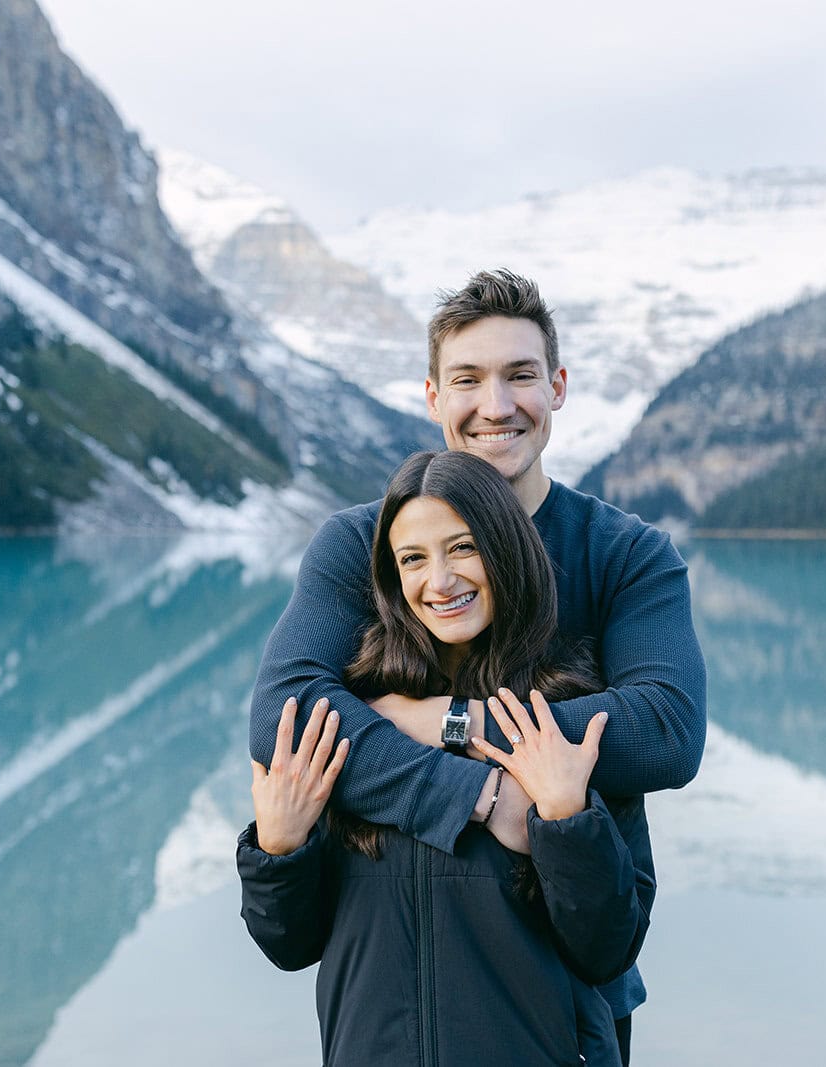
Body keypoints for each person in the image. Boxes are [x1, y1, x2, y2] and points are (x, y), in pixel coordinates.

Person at [250, 269, 707, 1063]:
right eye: (467, 379)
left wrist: (446, 720)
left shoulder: (626, 553)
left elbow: (664, 733)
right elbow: (283, 718)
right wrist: (483, 793)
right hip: (388, 1009)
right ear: (433, 397)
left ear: (557, 386)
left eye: (520, 375)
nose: (496, 406)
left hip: (558, 1000)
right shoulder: (364, 545)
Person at [239, 450, 654, 1066]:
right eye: (413, 559)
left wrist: (565, 819)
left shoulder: (562, 714)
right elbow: (290, 944)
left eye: (463, 548)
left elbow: (608, 948)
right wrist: (278, 847)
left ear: (507, 550)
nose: (440, 581)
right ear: (391, 577)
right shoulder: (354, 713)